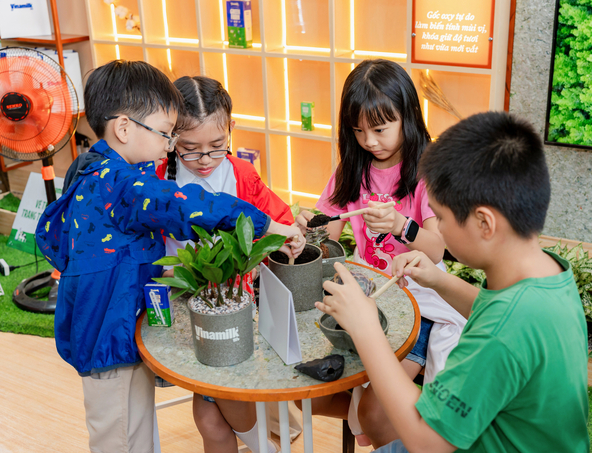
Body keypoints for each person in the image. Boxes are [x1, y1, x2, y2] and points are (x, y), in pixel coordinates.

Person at [35, 60, 304, 453]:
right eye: (164, 133)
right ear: (124, 128)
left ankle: (277, 432)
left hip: (111, 324)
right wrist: (261, 225)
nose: (168, 144)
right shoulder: (122, 183)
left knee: (134, 429)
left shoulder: (90, 169)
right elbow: (182, 205)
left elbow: (51, 235)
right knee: (123, 436)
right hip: (109, 332)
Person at [318, 111, 590, 452]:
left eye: (442, 217)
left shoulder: (501, 333)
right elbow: (490, 309)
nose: (439, 230)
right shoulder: (546, 274)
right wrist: (437, 281)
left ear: (484, 223)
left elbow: (427, 443)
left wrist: (364, 326)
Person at [295, 59, 467, 448]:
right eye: (358, 131)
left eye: (379, 129)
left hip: (419, 304)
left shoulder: (429, 171)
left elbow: (438, 249)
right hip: (370, 294)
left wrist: (398, 226)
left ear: (407, 116)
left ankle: (386, 427)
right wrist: (309, 231)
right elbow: (329, 237)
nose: (370, 141)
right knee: (316, 392)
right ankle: (375, 424)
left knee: (373, 411)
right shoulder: (350, 171)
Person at [156, 75, 296, 453]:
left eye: (217, 146)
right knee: (212, 413)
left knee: (208, 417)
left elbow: (278, 218)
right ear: (170, 138)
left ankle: (269, 442)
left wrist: (289, 235)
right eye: (189, 149)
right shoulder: (156, 182)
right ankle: (270, 445)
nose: (204, 160)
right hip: (185, 316)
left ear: (231, 130)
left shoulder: (241, 175)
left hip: (238, 310)